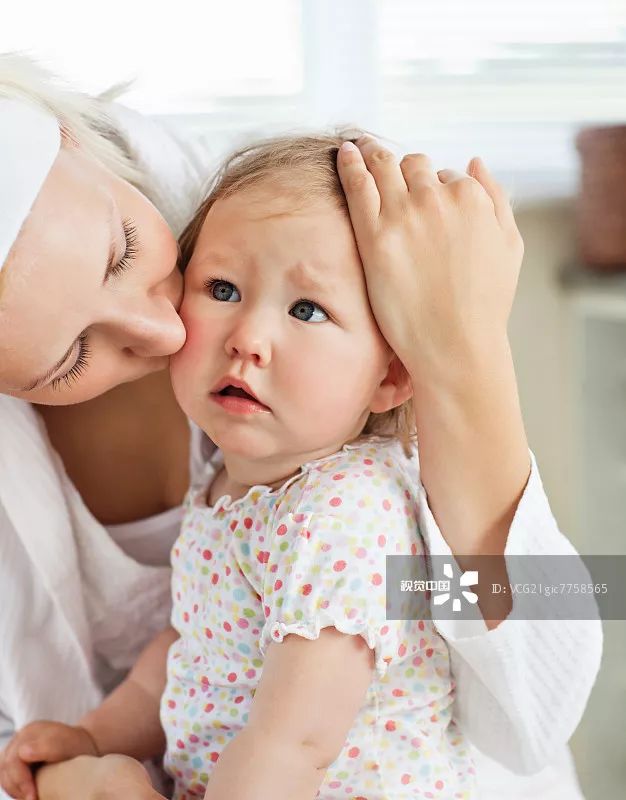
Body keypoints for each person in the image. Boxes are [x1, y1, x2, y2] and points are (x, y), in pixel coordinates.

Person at [0, 55, 601, 800]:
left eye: (124, 250)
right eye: (69, 358)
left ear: (390, 375)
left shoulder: (343, 516)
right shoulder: (229, 482)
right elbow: (190, 646)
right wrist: (93, 739)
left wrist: (464, 350)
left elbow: (298, 739)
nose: (162, 332)